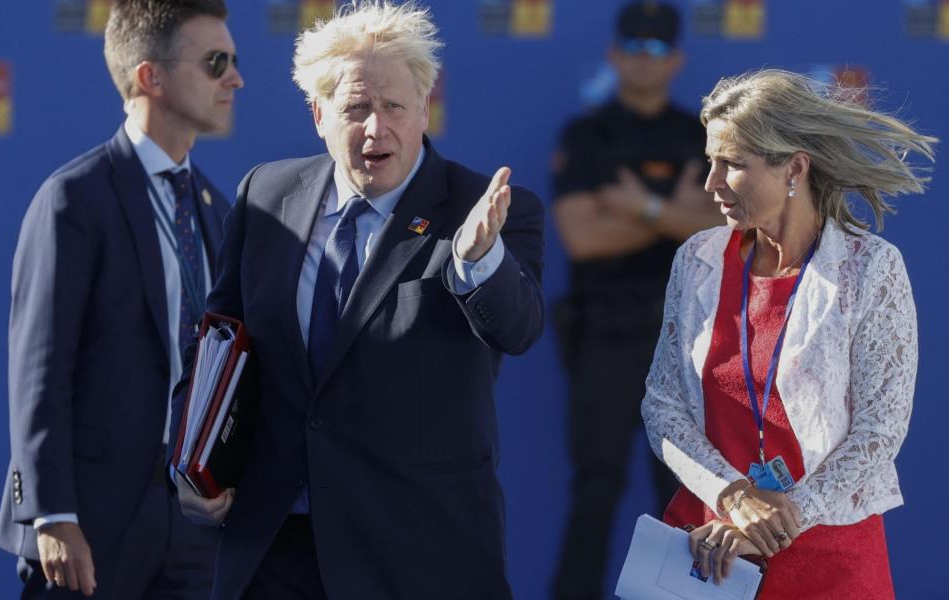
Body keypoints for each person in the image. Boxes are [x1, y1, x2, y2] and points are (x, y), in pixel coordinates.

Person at [168, 2, 544, 599]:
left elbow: (518, 330)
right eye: (356, 108)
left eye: (394, 106)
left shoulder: (484, 207)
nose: (377, 128)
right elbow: (217, 340)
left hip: (416, 554)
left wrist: (475, 261)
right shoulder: (266, 195)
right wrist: (190, 460)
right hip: (273, 545)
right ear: (318, 115)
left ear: (425, 108)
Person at [641, 69, 935, 599]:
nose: (710, 183)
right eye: (711, 162)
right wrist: (733, 497)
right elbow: (662, 405)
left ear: (794, 168)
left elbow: (880, 430)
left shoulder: (869, 268)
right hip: (710, 550)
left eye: (731, 164)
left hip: (828, 558)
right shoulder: (697, 260)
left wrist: (784, 516)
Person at [0, 0, 242, 597]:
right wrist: (52, 514)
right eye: (215, 62)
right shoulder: (73, 199)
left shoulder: (218, 209)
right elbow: (39, 371)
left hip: (191, 524)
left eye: (233, 61)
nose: (235, 78)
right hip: (88, 528)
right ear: (150, 76)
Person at [550, 3, 721, 598]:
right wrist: (675, 215)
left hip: (688, 340)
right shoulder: (586, 135)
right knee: (596, 486)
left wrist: (638, 207)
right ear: (613, 52)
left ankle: (684, 594)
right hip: (605, 336)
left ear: (676, 59)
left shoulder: (702, 136)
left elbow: (717, 233)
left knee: (685, 491)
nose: (642, 59)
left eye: (655, 49)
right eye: (632, 46)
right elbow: (582, 236)